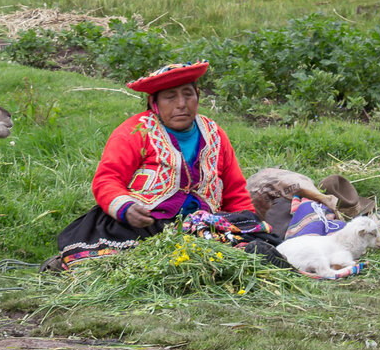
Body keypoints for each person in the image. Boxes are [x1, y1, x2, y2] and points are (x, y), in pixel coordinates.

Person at [45, 60, 262, 271]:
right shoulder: (135, 132)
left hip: (202, 226)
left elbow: (234, 190)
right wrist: (126, 208)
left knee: (250, 249)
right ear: (153, 103)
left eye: (188, 94)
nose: (181, 104)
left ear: (198, 96)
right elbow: (107, 180)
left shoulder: (215, 134)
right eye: (170, 97)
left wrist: (249, 226)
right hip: (144, 224)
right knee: (121, 262)